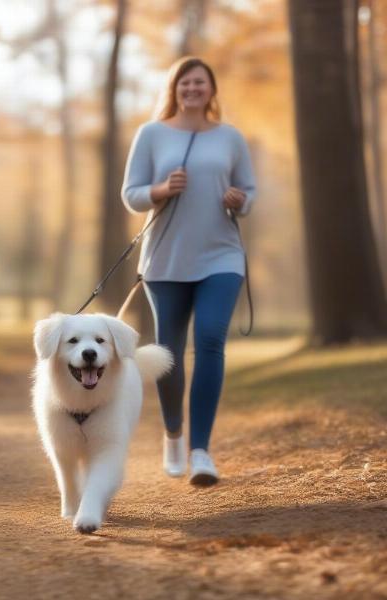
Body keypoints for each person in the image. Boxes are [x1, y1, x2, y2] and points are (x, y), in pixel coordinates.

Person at [121, 57, 256, 485]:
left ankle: (201, 451)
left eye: (200, 82)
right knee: (168, 354)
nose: (192, 89)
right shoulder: (151, 133)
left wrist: (239, 199)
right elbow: (131, 194)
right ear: (174, 89)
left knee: (212, 340)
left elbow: (250, 191)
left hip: (222, 255)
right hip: (166, 258)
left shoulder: (231, 138)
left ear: (211, 90)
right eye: (185, 82)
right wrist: (160, 190)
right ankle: (173, 434)